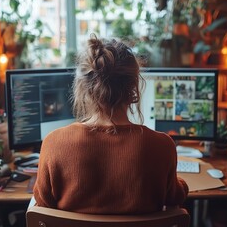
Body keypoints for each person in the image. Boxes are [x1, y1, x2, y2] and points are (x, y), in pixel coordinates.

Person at [33, 35, 189, 214]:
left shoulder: (54, 143)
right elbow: (174, 197)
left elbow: (43, 203)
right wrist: (181, 185)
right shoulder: (162, 146)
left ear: (83, 87)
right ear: (134, 88)